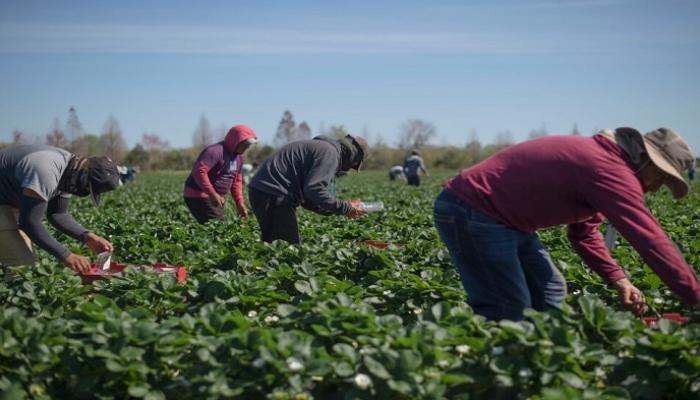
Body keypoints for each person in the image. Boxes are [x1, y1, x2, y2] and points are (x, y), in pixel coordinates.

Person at [433, 127, 699, 321]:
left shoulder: (606, 166)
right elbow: (651, 241)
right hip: (472, 210)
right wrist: (696, 298)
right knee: (507, 304)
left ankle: (544, 358)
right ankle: (498, 372)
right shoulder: (610, 169)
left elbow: (584, 233)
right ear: (645, 157)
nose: (656, 187)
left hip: (505, 220)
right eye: (660, 177)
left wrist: (619, 280)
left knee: (550, 289)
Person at [0, 145, 120, 273]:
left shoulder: (68, 171)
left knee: (23, 255)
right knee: (24, 267)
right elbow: (29, 222)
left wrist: (88, 236)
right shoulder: (46, 171)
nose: (84, 192)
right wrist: (66, 255)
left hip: (7, 201)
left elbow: (58, 214)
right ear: (82, 176)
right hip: (4, 202)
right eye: (86, 188)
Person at [248, 134, 369, 244]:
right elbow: (314, 189)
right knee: (287, 249)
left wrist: (337, 209)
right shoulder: (330, 154)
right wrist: (346, 208)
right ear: (353, 156)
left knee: (274, 244)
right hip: (274, 193)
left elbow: (308, 197)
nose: (351, 167)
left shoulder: (321, 148)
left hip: (263, 191)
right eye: (354, 163)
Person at [183, 124, 257, 224]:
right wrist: (212, 194)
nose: (247, 147)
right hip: (198, 195)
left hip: (213, 197)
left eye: (249, 145)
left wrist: (240, 203)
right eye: (246, 144)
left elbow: (236, 182)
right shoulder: (214, 151)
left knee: (218, 226)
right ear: (237, 141)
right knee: (218, 226)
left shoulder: (238, 158)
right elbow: (199, 172)